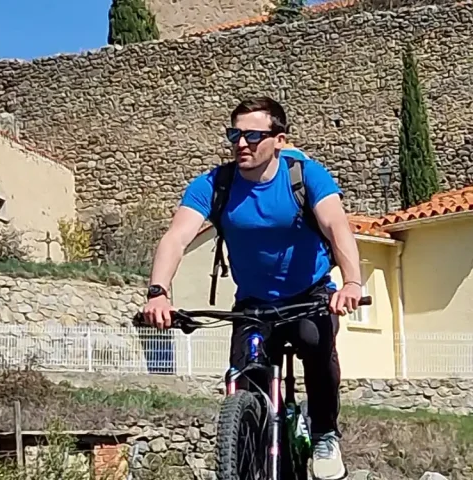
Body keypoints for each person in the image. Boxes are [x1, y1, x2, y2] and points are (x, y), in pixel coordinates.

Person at [139, 97, 367, 480]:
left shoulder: (305, 176)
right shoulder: (215, 185)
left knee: (317, 345)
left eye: (252, 135)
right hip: (253, 304)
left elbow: (335, 227)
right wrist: (158, 292)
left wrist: (351, 283)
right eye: (235, 134)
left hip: (307, 296)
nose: (241, 143)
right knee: (245, 378)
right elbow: (176, 238)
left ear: (279, 140)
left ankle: (325, 432)